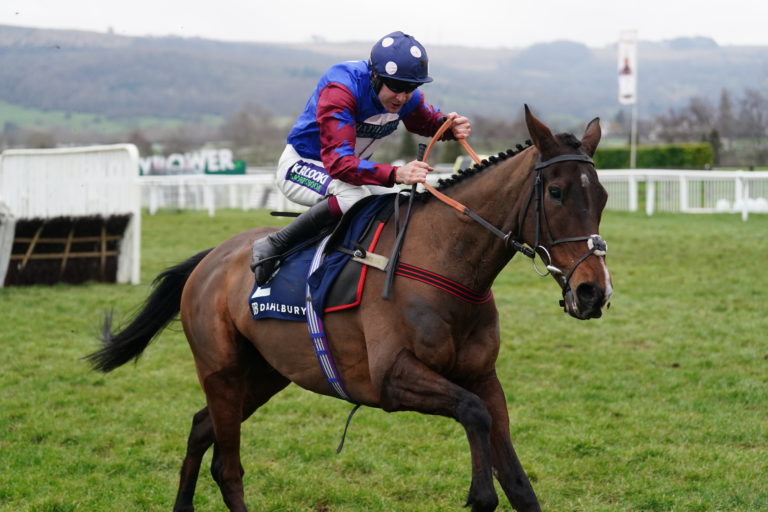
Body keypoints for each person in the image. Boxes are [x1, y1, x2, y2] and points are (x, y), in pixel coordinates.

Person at [251, 31, 471, 285]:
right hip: (303, 165)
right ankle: (275, 243)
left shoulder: (405, 97)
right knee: (353, 196)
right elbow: (339, 164)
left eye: (410, 88)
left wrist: (448, 127)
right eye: (397, 87)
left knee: (396, 203)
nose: (402, 97)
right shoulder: (342, 89)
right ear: (376, 76)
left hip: (349, 172)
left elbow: (426, 121)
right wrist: (396, 174)